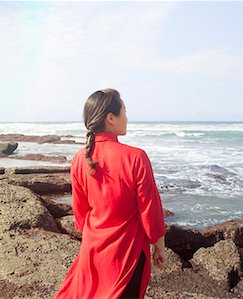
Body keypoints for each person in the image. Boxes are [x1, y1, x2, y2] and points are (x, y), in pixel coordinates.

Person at [55, 89, 167, 299]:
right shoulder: (136, 157)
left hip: (93, 250)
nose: (127, 117)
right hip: (127, 253)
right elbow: (150, 209)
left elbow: (80, 213)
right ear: (111, 117)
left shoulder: (80, 159)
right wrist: (159, 246)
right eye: (124, 111)